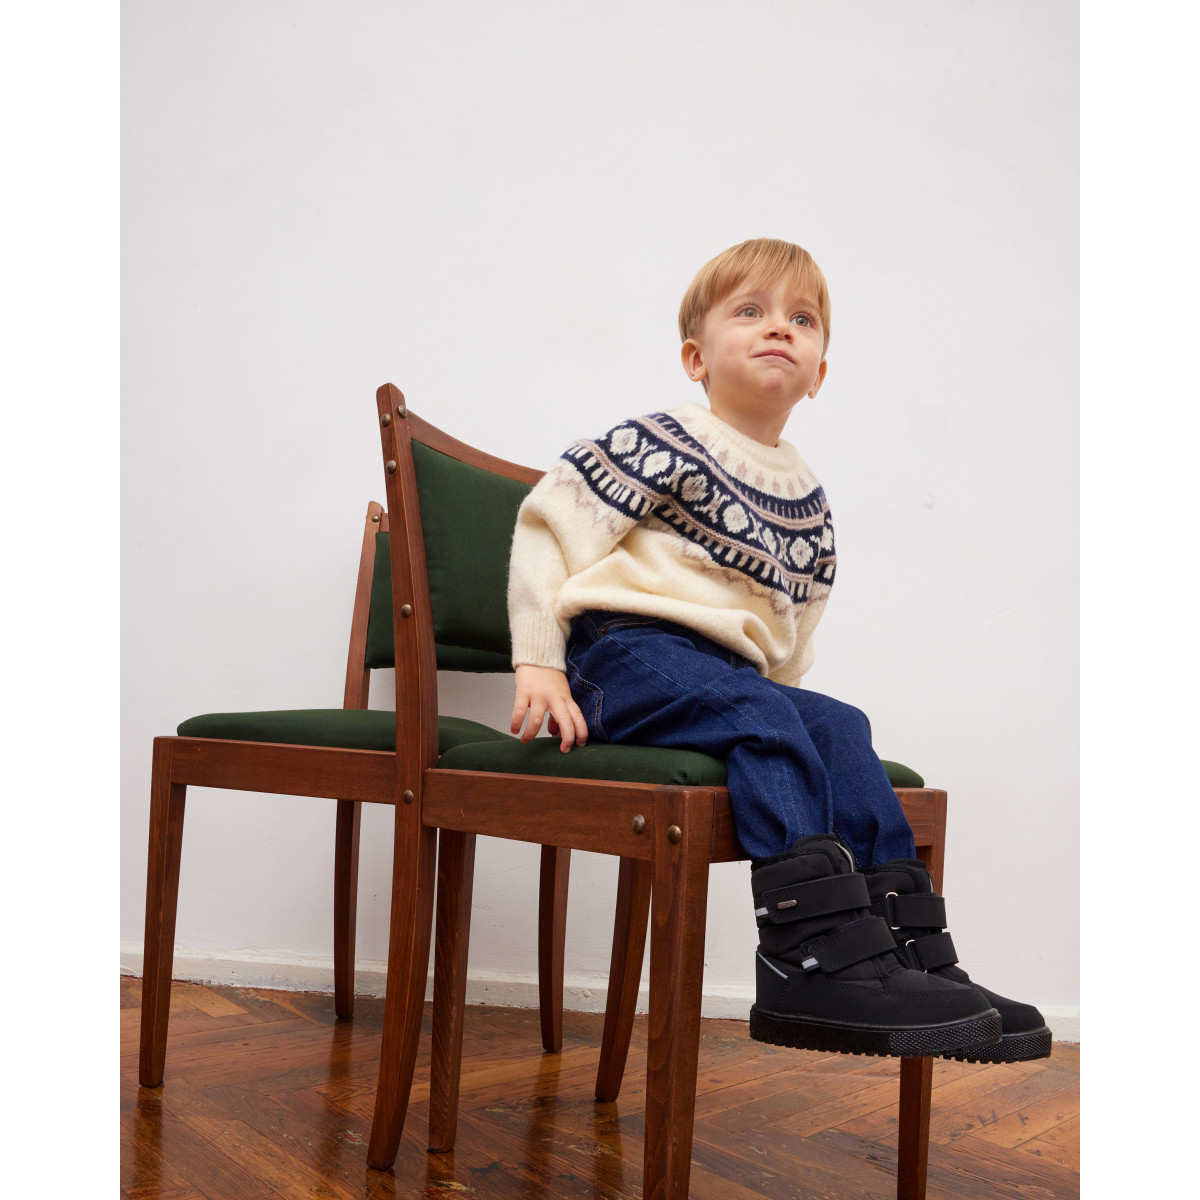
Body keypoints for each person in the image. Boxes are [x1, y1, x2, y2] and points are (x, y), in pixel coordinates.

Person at [506, 237, 1049, 1062]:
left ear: (819, 372)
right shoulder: (661, 438)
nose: (778, 329)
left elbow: (793, 626)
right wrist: (540, 659)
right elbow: (549, 529)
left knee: (839, 724)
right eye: (750, 312)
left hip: (724, 675)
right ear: (696, 357)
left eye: (801, 319)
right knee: (763, 715)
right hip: (623, 653)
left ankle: (904, 956)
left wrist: (795, 713)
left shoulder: (808, 499)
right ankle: (810, 958)